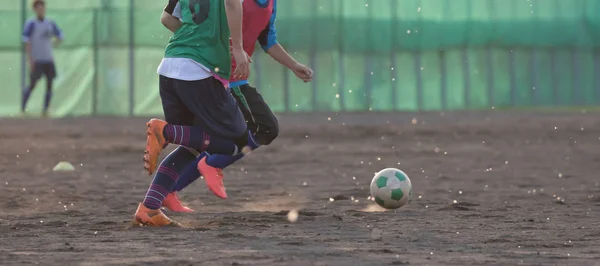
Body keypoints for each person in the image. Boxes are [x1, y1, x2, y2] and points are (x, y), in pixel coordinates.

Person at [158, 0, 314, 212]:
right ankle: (208, 161)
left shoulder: (270, 4)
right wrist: (210, 46)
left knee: (199, 141)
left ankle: (165, 193)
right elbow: (182, 21)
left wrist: (294, 65)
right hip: (218, 77)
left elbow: (268, 41)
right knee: (262, 127)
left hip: (225, 77)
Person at [134, 0, 255, 227]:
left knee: (192, 144)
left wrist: (197, 38)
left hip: (170, 66)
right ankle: (166, 133)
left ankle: (150, 208)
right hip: (198, 72)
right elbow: (232, 2)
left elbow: (167, 18)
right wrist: (237, 47)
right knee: (237, 140)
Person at [21, 0, 63, 117]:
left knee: (50, 84)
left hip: (48, 59)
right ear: (35, 10)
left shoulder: (50, 23)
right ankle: (23, 108)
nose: (41, 10)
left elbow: (60, 35)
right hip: (37, 59)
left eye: (43, 7)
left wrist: (55, 43)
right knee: (32, 84)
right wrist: (30, 59)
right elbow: (27, 41)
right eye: (38, 8)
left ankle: (45, 110)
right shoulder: (31, 23)